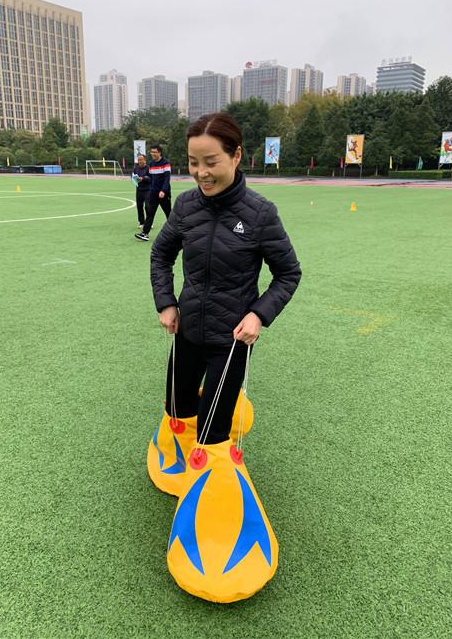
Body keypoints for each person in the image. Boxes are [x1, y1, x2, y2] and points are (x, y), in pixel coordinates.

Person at [146, 112, 302, 602]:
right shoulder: (186, 206)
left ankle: (212, 526)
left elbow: (288, 274)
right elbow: (161, 256)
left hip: (231, 342)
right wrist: (166, 302)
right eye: (193, 162)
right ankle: (185, 461)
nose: (201, 172)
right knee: (177, 411)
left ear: (236, 156)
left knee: (212, 435)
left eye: (210, 161)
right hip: (187, 333)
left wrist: (258, 315)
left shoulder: (260, 213)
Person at [134, 145, 171, 241]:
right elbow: (150, 178)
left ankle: (176, 233)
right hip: (153, 193)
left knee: (169, 214)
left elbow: (167, 179)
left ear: (159, 153)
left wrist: (163, 190)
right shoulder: (151, 163)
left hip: (164, 194)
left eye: (154, 152)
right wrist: (142, 179)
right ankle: (145, 233)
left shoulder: (165, 163)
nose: (152, 154)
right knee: (150, 213)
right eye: (151, 152)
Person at [131, 154, 151, 228]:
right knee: (139, 206)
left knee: (147, 206)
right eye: (138, 160)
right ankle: (141, 222)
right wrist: (134, 178)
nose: (139, 161)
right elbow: (132, 176)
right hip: (139, 190)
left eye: (141, 159)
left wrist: (143, 178)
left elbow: (151, 178)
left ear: (145, 160)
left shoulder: (149, 168)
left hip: (148, 190)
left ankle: (149, 223)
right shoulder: (136, 168)